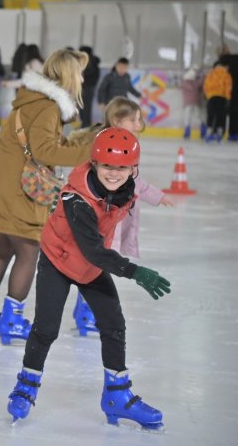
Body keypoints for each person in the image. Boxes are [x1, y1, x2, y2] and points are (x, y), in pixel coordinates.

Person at [7, 127, 171, 431]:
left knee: (113, 325)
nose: (114, 173)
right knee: (46, 328)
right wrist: (135, 272)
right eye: (107, 166)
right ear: (94, 164)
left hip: (90, 266)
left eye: (122, 167)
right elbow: (93, 250)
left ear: (133, 169)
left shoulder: (126, 189)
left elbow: (103, 241)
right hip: (58, 261)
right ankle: (26, 385)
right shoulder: (77, 199)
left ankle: (117, 395)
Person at [0, 48, 93, 344]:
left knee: (2, 249)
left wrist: (81, 143)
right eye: (79, 73)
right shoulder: (49, 107)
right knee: (28, 250)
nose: (82, 79)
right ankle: (12, 320)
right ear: (68, 75)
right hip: (16, 188)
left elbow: (47, 142)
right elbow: (45, 151)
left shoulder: (33, 99)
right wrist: (91, 153)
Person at [72, 97, 173, 336]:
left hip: (114, 217)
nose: (139, 125)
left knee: (99, 265)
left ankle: (86, 309)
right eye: (133, 120)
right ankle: (87, 311)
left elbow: (134, 180)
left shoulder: (125, 146)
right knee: (98, 263)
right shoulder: (104, 146)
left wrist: (156, 196)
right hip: (102, 217)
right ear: (117, 121)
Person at [216, 45, 238, 142]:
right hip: (236, 88)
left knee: (232, 112)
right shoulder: (234, 58)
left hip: (231, 89)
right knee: (234, 112)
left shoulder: (222, 61)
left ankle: (232, 132)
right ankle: (234, 132)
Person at [203, 60, 232, 143]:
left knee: (210, 115)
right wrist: (228, 98)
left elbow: (206, 85)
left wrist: (207, 95)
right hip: (221, 97)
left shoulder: (210, 74)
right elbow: (228, 86)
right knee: (221, 115)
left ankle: (208, 132)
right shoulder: (226, 74)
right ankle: (219, 134)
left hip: (211, 97)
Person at [78, 45, 100, 127]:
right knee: (85, 106)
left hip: (87, 87)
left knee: (85, 106)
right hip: (89, 87)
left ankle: (85, 124)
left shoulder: (89, 62)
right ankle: (85, 124)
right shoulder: (92, 62)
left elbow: (87, 75)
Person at [181, 66, 204, 140]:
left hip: (187, 103)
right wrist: (200, 73)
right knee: (198, 117)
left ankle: (187, 132)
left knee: (187, 117)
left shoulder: (184, 83)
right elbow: (201, 80)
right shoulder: (196, 83)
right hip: (196, 102)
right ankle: (202, 131)